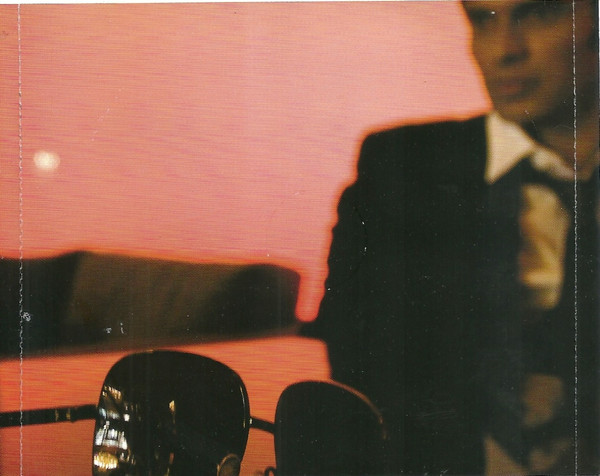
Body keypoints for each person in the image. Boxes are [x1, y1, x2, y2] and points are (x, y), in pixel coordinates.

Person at [305, 1, 599, 474]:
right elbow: (356, 351)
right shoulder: (401, 163)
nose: (504, 50)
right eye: (483, 20)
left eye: (537, 14)